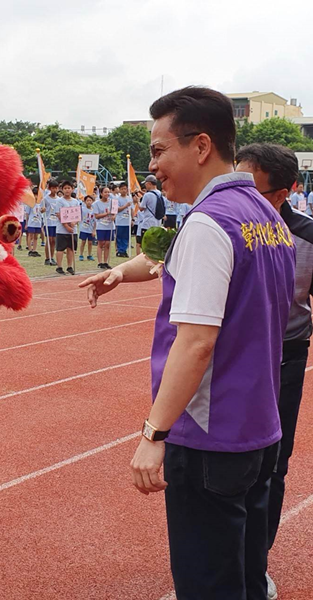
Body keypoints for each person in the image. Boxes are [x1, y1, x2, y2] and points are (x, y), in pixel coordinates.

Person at [80, 86, 296, 600]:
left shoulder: (209, 222)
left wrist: (153, 434)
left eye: (158, 150)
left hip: (211, 433)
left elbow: (196, 343)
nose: (152, 165)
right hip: (259, 425)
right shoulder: (265, 216)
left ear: (200, 146)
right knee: (244, 574)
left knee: (208, 582)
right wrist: (121, 272)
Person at [235, 143, 313, 600]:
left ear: (285, 192)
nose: (241, 196)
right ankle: (220, 557)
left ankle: (254, 562)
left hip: (285, 356)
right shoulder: (226, 225)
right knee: (220, 459)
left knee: (272, 464)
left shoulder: (308, 236)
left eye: (254, 189)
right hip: (232, 357)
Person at [54, 181, 80, 275]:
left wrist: (74, 223)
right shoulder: (59, 201)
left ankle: (70, 266)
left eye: (69, 188)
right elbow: (59, 214)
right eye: (65, 188)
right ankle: (59, 266)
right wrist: (66, 226)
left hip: (73, 230)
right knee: (60, 249)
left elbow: (78, 215)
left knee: (71, 248)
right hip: (62, 229)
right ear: (62, 189)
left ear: (72, 189)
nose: (67, 190)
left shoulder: (75, 201)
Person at [137, 174, 162, 252]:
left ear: (149, 184)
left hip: (147, 223)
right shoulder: (160, 194)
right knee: (154, 245)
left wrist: (138, 201)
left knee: (145, 245)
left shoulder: (147, 195)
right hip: (157, 222)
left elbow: (141, 208)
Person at [93, 187, 116, 269]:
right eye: (105, 192)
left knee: (108, 244)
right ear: (101, 193)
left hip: (110, 226)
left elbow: (115, 212)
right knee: (101, 244)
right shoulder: (96, 204)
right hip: (101, 226)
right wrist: (106, 214)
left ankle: (106, 262)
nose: (107, 194)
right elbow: (96, 216)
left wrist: (114, 216)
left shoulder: (112, 202)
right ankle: (100, 262)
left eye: (108, 192)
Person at [41, 180, 59, 266]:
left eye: (56, 188)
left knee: (54, 241)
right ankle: (47, 258)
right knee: (49, 239)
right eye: (52, 188)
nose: (54, 190)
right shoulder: (45, 199)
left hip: (56, 223)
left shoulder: (59, 200)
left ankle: (52, 257)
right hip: (48, 222)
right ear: (49, 188)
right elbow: (41, 210)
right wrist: (43, 210)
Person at [115, 183, 132, 257]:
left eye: (125, 189)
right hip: (120, 221)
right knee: (119, 236)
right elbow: (117, 209)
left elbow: (132, 209)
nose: (124, 190)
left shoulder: (129, 198)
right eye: (122, 189)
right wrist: (125, 206)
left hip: (127, 221)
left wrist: (132, 219)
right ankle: (120, 250)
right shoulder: (117, 199)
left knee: (126, 237)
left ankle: (124, 250)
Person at [26, 189, 43, 257]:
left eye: (37, 195)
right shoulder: (30, 204)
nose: (36, 197)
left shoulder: (40, 203)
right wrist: (27, 223)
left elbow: (42, 212)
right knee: (30, 236)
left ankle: (34, 250)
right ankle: (30, 249)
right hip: (31, 222)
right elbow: (27, 214)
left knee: (36, 237)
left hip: (38, 222)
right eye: (35, 195)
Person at [78, 195, 96, 261]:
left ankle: (89, 255)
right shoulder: (82, 209)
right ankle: (81, 254)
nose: (89, 202)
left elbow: (95, 221)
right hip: (83, 228)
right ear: (85, 202)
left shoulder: (94, 210)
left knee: (90, 242)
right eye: (87, 201)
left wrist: (94, 230)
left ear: (92, 201)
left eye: (90, 200)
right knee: (83, 241)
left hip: (91, 229)